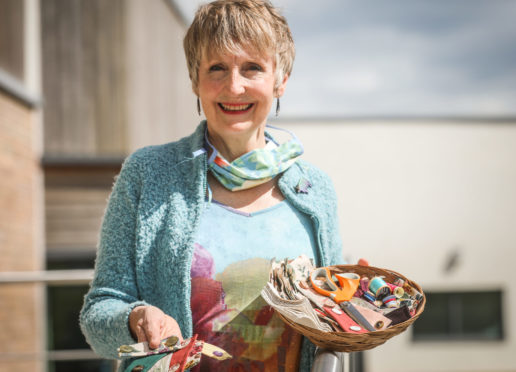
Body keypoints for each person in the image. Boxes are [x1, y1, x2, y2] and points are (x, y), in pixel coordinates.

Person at [79, 0, 343, 371]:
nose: (234, 87)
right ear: (194, 79)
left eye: (253, 68)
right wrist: (135, 318)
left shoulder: (316, 191)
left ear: (280, 80)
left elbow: (333, 323)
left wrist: (354, 300)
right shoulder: (147, 174)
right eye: (217, 68)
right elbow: (98, 314)